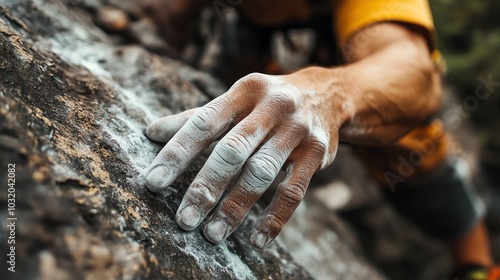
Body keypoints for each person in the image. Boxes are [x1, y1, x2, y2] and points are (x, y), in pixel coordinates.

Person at [141, 0, 499, 279]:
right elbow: (171, 15)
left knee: (443, 204)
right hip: (269, 86)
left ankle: (478, 268)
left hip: (392, 135)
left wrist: (325, 96)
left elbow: (412, 72)